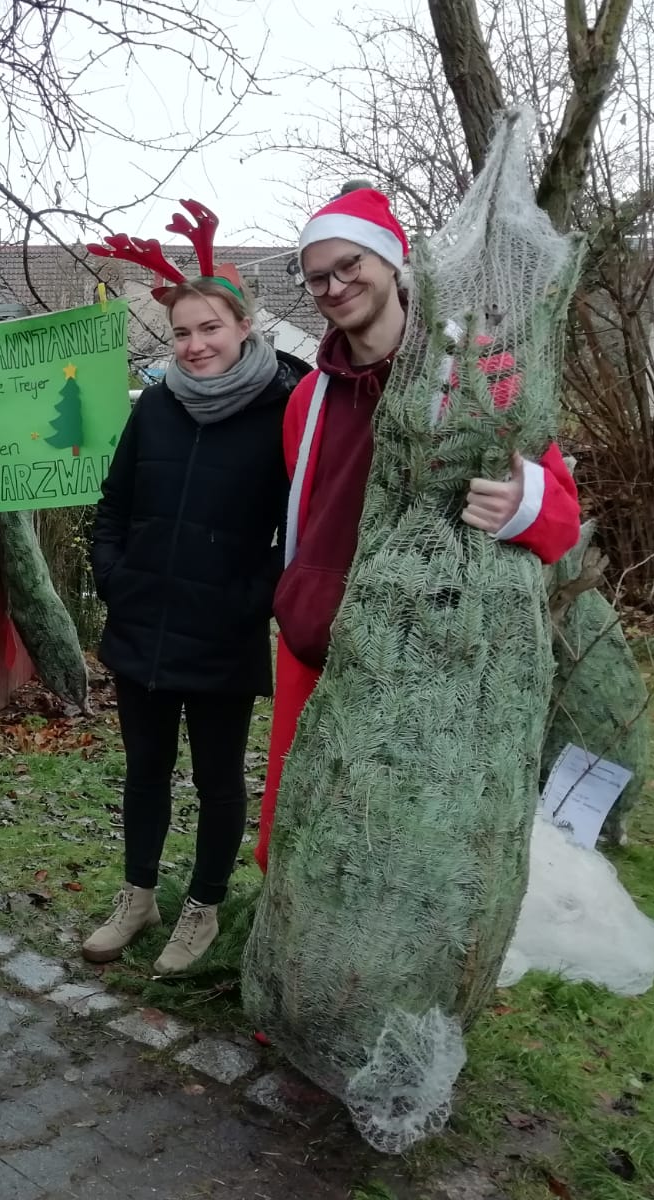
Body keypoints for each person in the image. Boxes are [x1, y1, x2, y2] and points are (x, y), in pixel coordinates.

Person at [254, 187, 581, 872]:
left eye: (350, 266)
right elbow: (306, 516)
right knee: (304, 836)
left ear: (393, 264)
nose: (335, 287)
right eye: (318, 277)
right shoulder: (308, 400)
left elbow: (562, 519)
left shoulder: (478, 373)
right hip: (318, 649)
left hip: (424, 661)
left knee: (397, 848)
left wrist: (525, 503)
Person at [81, 276, 304, 974]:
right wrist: (115, 577)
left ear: (243, 325)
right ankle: (138, 895)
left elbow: (297, 528)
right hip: (142, 620)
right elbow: (113, 505)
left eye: (209, 328)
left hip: (222, 628)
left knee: (217, 779)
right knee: (145, 771)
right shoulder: (157, 407)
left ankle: (203, 907)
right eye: (181, 332)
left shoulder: (284, 409)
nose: (195, 344)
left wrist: (250, 596)